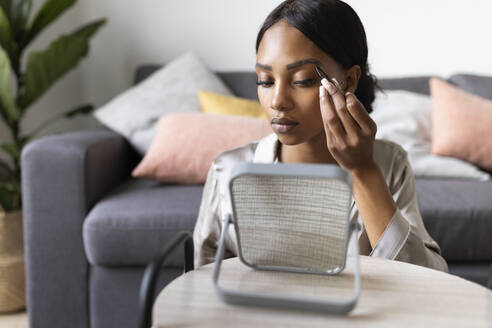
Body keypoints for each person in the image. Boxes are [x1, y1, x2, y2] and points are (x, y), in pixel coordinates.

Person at [193, 0, 447, 272]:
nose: (277, 101)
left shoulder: (389, 163)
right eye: (265, 81)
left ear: (348, 81)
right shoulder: (228, 169)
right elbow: (201, 279)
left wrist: (363, 171)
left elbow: (430, 278)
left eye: (302, 80)